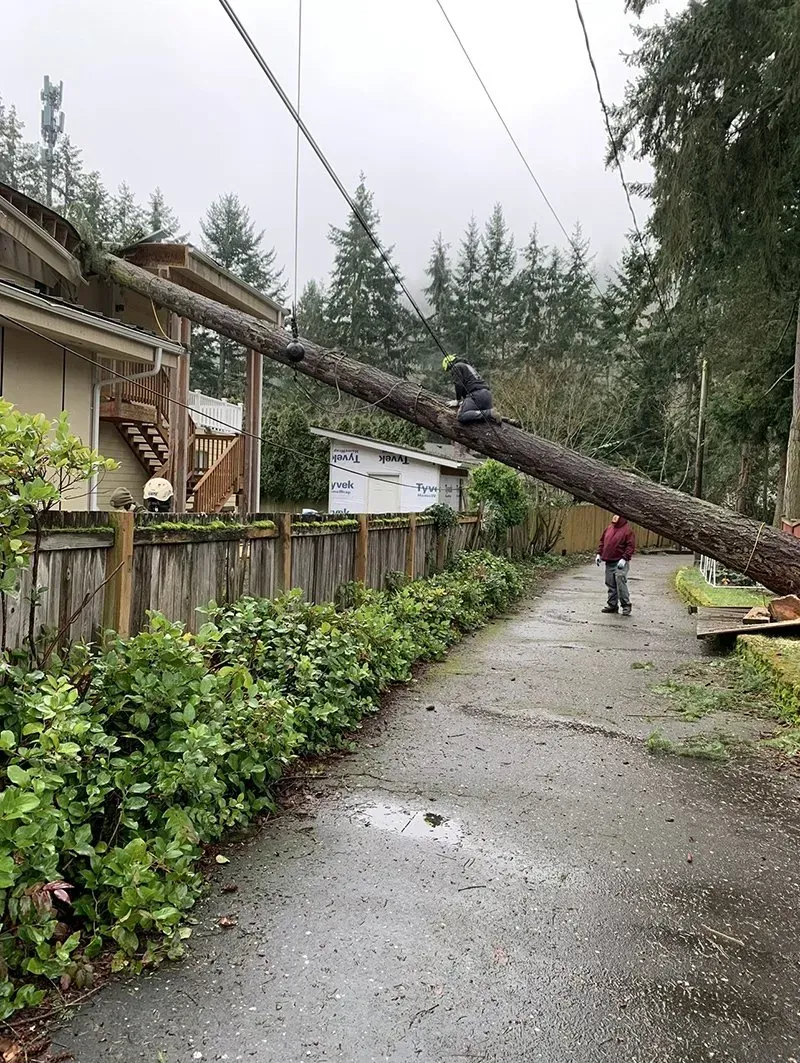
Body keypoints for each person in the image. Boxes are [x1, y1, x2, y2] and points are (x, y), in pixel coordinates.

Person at [596, 514, 635, 615]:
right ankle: (612, 605)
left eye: (617, 515)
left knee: (620, 583)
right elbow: (602, 542)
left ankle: (626, 605)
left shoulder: (627, 531)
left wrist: (624, 558)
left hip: (620, 562)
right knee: (610, 584)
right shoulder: (609, 528)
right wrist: (599, 554)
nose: (614, 517)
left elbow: (630, 546)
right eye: (614, 515)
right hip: (609, 560)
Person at [442, 354, 496, 424]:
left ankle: (489, 413)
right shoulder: (467, 366)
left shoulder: (456, 367)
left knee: (461, 416)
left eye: (448, 370)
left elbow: (458, 384)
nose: (450, 372)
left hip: (476, 395)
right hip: (487, 394)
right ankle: (491, 414)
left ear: (448, 364)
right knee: (486, 421)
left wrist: (457, 400)